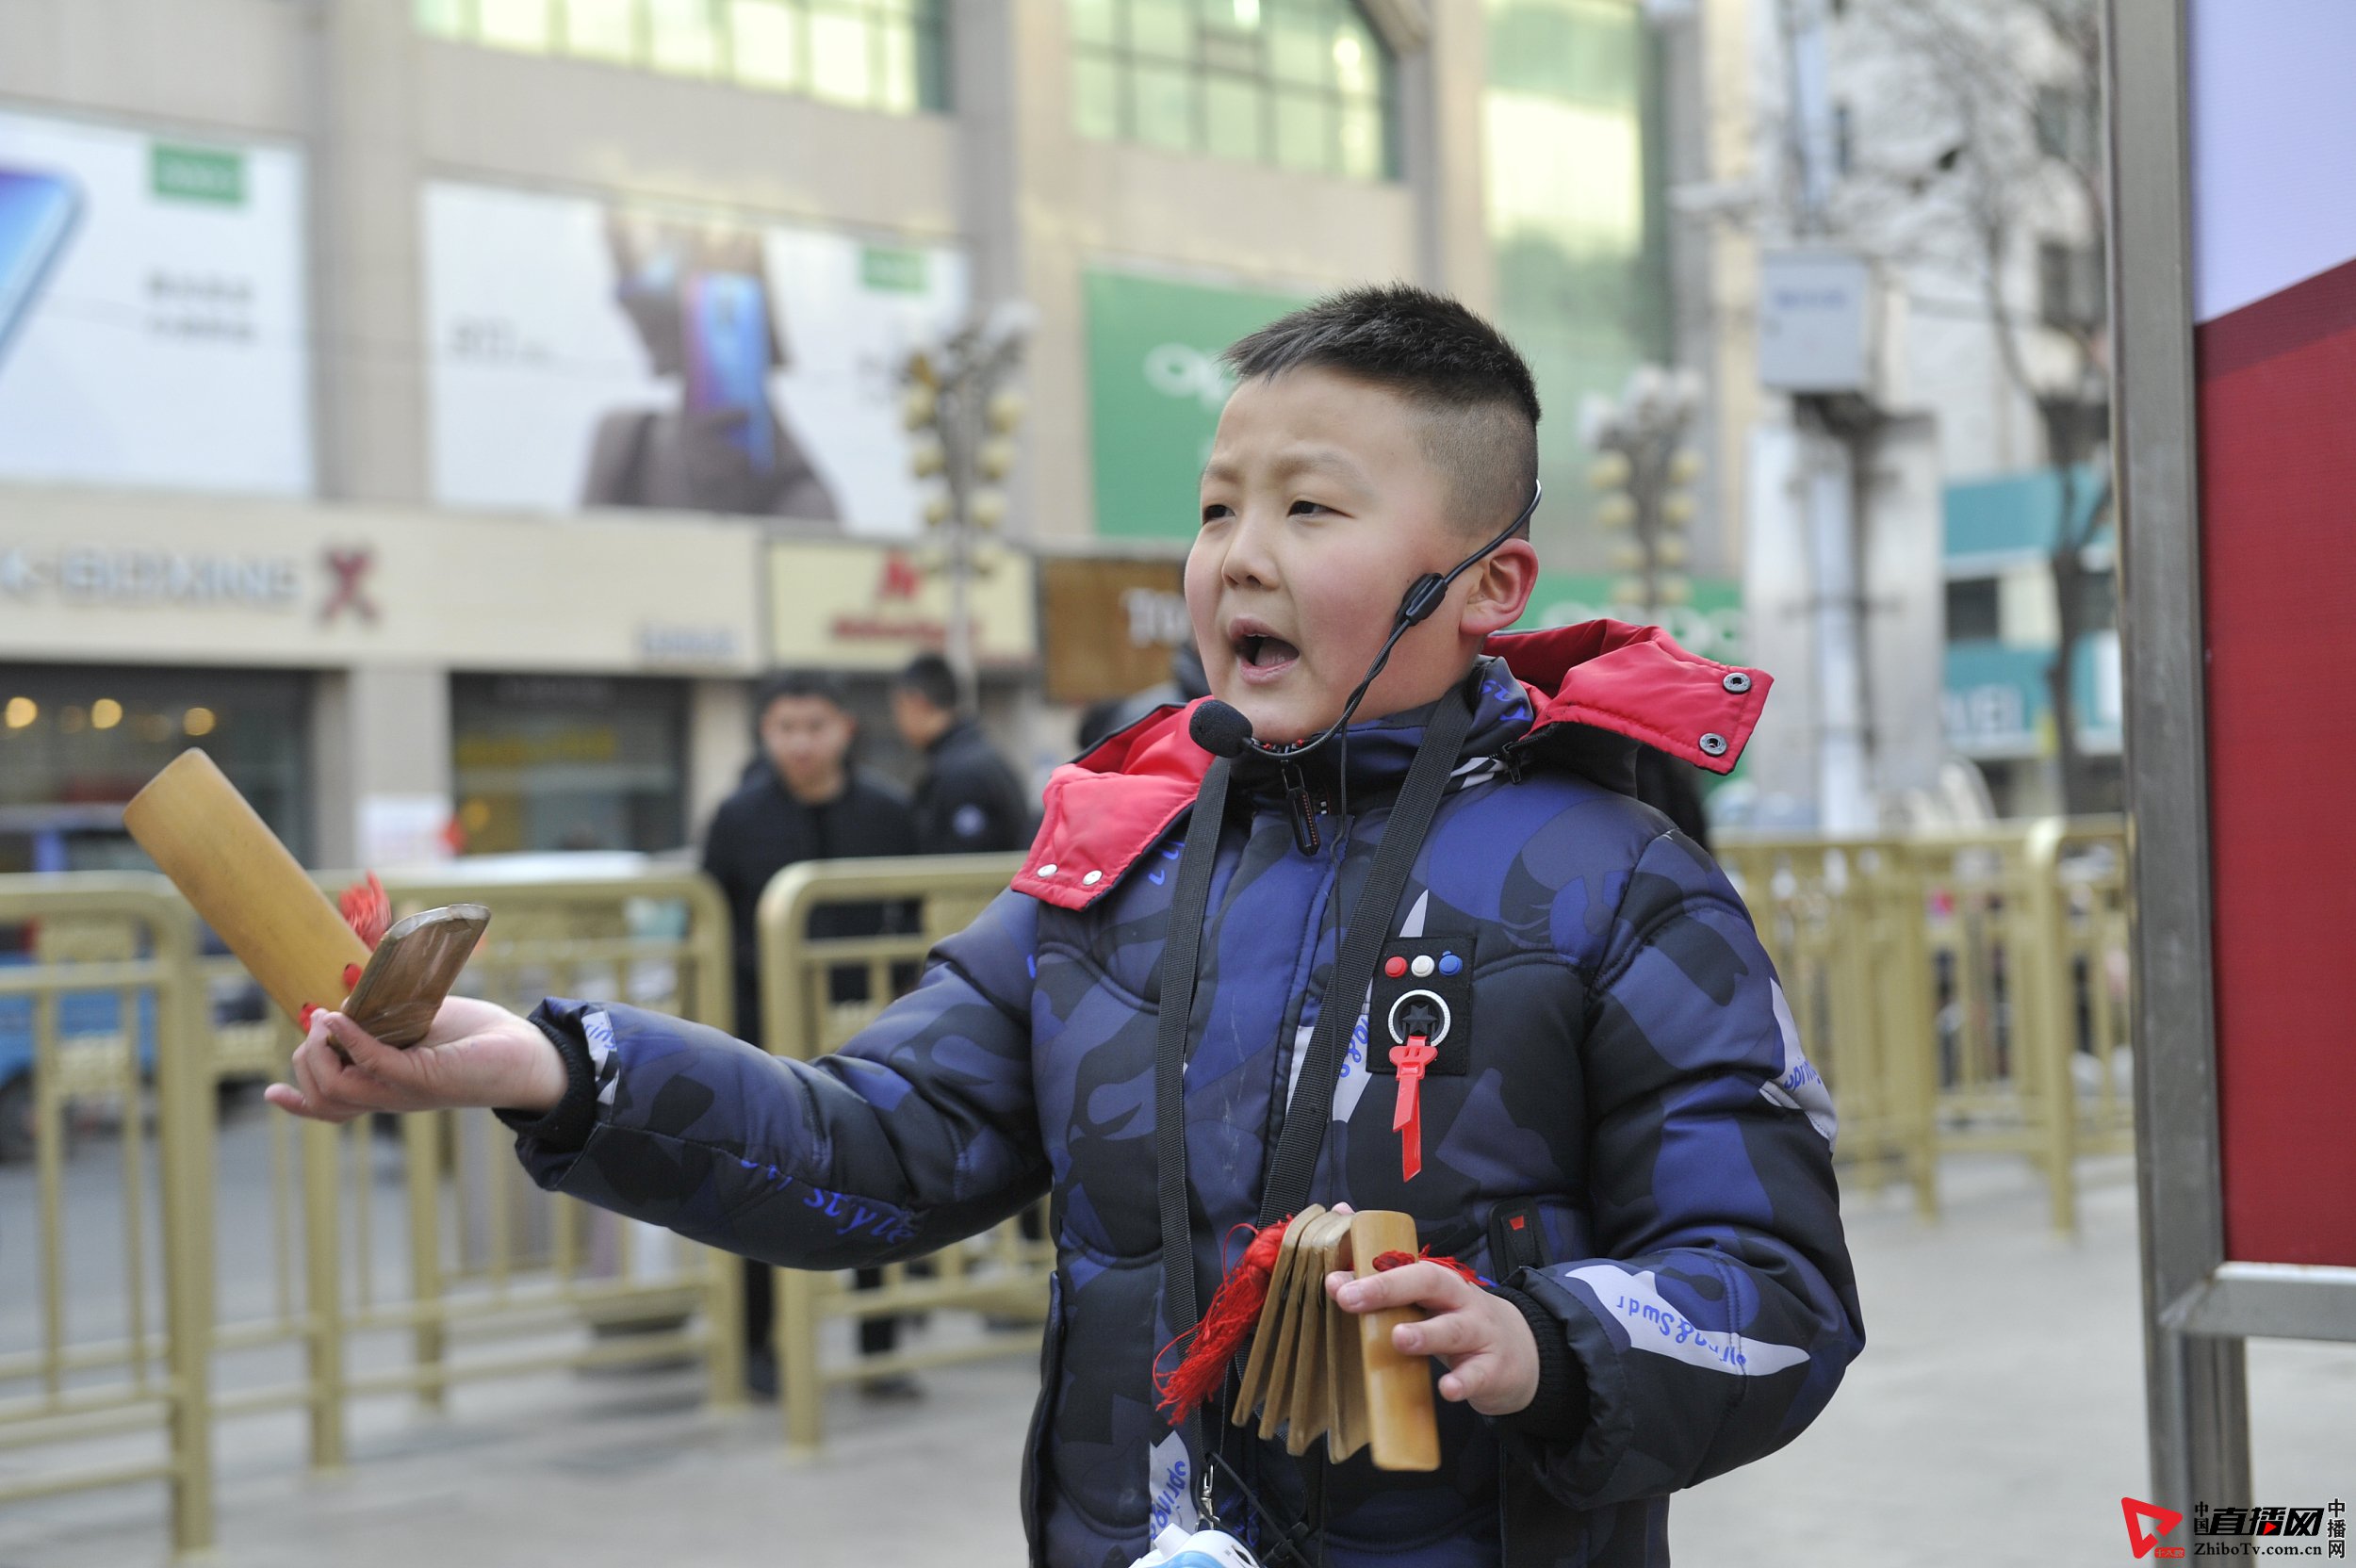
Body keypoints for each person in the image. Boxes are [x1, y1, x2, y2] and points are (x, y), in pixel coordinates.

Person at [267, 286, 1862, 1568]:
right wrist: (559, 1069)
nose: (1239, 552)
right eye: (1220, 504)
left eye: (1313, 508)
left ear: (1487, 581)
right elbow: (876, 1141)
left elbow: (1774, 1288)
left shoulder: (1618, 877)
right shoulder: (1116, 857)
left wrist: (1550, 1337)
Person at [697, 670, 921, 1400]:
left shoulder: (890, 813)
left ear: (846, 730)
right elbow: (713, 925)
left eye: (814, 726)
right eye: (784, 728)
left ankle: (880, 1344)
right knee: (756, 1184)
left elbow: (912, 919)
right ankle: (760, 1347)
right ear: (764, 734)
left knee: (877, 1181)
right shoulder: (736, 818)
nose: (800, 742)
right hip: (761, 1036)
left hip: (867, 1032)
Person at [890, 653, 1034, 855]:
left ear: (916, 703)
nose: (897, 722)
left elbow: (963, 867)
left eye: (898, 709)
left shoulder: (961, 773)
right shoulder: (975, 754)